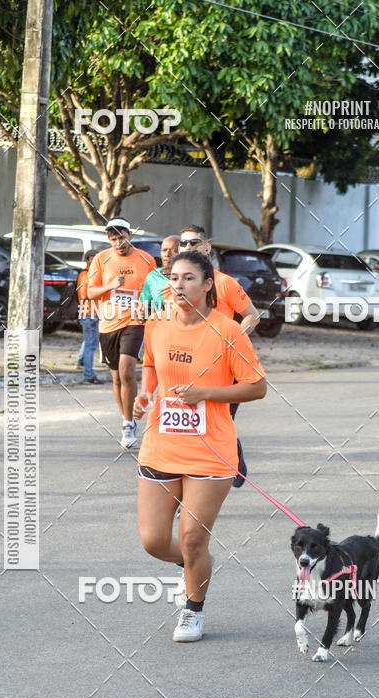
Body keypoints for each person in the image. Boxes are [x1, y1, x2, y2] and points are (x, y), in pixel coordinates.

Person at [133, 250, 267, 643]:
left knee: (193, 537)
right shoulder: (156, 325)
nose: (178, 285)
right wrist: (145, 394)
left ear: (209, 284)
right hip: (161, 445)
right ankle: (191, 566)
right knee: (154, 540)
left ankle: (193, 609)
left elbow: (257, 387)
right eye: (173, 278)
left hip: (211, 451)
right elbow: (151, 366)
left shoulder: (229, 330)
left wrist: (205, 393)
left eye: (189, 278)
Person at [179, 224, 260, 485]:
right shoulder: (178, 285)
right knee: (191, 426)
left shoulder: (224, 283)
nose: (188, 248)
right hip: (190, 363)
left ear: (206, 246)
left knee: (219, 421)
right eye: (184, 244)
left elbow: (252, 315)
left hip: (224, 366)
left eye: (194, 243)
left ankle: (226, 461)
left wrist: (233, 339)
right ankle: (195, 479)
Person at [87, 218, 156, 448]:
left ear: (131, 235)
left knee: (127, 371)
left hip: (135, 321)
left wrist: (151, 309)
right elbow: (90, 293)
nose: (118, 243)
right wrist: (110, 286)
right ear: (109, 239)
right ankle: (127, 417)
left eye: (122, 237)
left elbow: (155, 288)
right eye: (114, 238)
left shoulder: (146, 259)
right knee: (116, 377)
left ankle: (128, 424)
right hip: (108, 325)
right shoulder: (101, 258)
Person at [76, 248, 101, 383]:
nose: (97, 260)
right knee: (91, 344)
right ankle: (89, 375)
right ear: (88, 260)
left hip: (91, 313)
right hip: (89, 313)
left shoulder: (91, 274)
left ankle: (81, 361)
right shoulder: (87, 275)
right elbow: (85, 295)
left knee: (88, 341)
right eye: (94, 257)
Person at [139, 235, 180, 313]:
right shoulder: (153, 276)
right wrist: (142, 314)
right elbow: (147, 308)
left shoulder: (191, 277)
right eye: (164, 250)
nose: (167, 254)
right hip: (161, 324)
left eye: (173, 250)